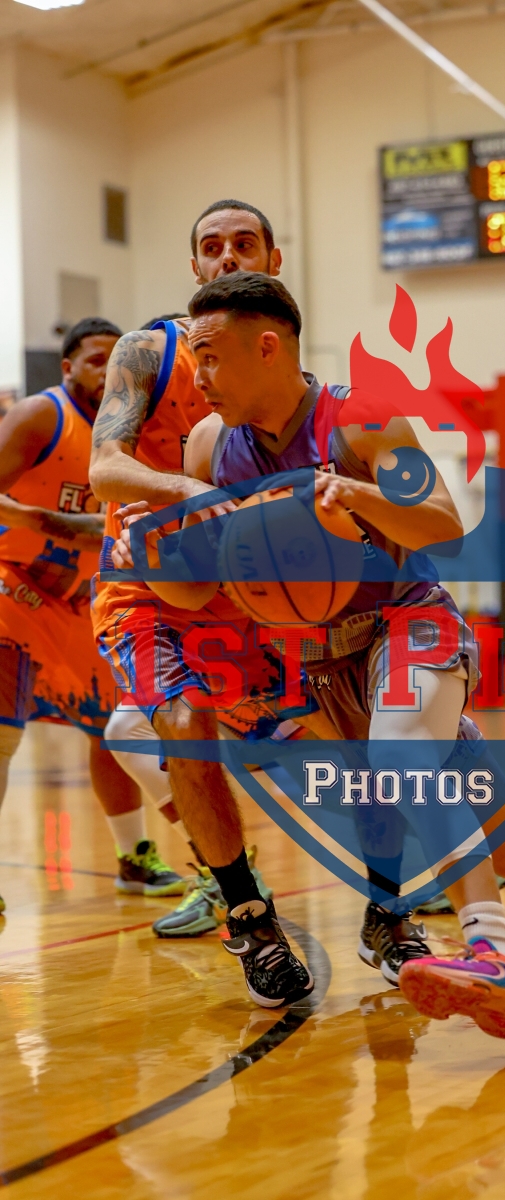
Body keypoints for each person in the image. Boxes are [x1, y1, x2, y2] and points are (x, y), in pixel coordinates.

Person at [112, 272, 505, 1038]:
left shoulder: (362, 419)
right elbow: (192, 592)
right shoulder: (210, 447)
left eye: (211, 356)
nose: (199, 377)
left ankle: (494, 955)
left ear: (268, 346)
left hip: (411, 626)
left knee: (401, 751)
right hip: (325, 666)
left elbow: (442, 520)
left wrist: (356, 498)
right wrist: (154, 556)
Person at [89, 200, 319, 941]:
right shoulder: (148, 352)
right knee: (162, 726)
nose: (227, 256)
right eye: (212, 246)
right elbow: (105, 466)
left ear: (273, 260)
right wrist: (191, 492)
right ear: (194, 266)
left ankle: (427, 868)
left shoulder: (288, 371)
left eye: (244, 244)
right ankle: (240, 901)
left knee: (321, 737)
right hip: (148, 581)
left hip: (243, 589)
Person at [0, 318, 184, 914]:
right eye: (94, 359)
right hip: (13, 587)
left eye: (114, 358)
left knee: (114, 728)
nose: (106, 370)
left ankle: (135, 858)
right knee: (2, 730)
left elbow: (103, 528)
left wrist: (44, 520)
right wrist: (29, 523)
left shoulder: (128, 430)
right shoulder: (40, 416)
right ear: (68, 368)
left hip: (81, 603)